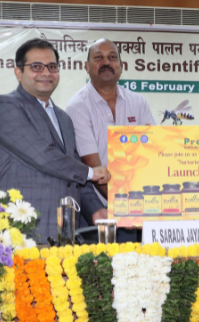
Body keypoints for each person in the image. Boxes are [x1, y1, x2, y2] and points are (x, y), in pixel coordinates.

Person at [0, 38, 109, 242]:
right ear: (19, 73)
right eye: (36, 67)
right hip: (23, 232)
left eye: (52, 67)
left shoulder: (64, 119)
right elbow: (43, 156)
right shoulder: (4, 106)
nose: (46, 73)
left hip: (66, 231)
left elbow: (75, 171)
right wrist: (91, 172)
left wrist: (96, 209)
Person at [65, 38, 154, 205]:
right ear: (87, 66)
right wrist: (121, 204)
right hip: (98, 208)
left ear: (121, 66)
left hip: (139, 202)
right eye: (98, 58)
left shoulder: (139, 103)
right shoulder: (77, 107)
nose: (106, 62)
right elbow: (93, 166)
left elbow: (152, 151)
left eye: (112, 57)